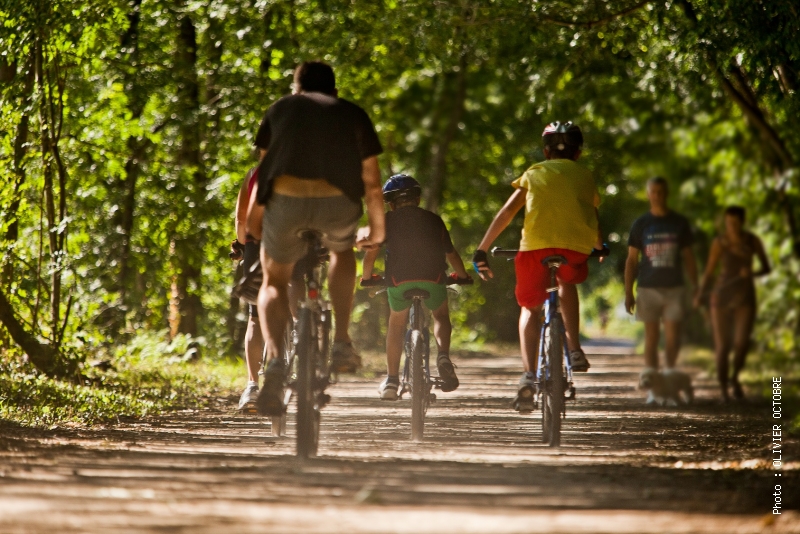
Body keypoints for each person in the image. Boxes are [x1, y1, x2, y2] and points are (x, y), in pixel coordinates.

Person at [247, 61, 385, 416]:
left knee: (273, 280)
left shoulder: (279, 109)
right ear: (335, 92)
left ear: (296, 90)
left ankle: (276, 362)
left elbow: (264, 170)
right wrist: (377, 227)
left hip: (285, 204)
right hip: (336, 203)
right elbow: (371, 180)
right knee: (341, 253)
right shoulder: (352, 113)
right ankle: (341, 341)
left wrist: (254, 217)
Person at [473, 121, 605, 410]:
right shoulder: (584, 176)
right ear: (578, 153)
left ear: (545, 152)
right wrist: (599, 246)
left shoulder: (534, 173)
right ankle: (575, 349)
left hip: (535, 248)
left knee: (530, 308)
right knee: (566, 282)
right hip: (574, 248)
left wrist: (482, 249)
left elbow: (508, 211)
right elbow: (591, 216)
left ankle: (528, 376)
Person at [361, 174, 470, 400]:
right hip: (433, 278)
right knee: (440, 315)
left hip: (399, 280)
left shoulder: (386, 221)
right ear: (418, 199)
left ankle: (392, 381)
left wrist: (367, 277)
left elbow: (371, 253)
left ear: (390, 203)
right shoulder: (434, 220)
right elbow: (451, 254)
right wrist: (462, 276)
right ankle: (443, 356)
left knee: (396, 324)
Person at [624, 177, 698, 404]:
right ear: (648, 194)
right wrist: (628, 291)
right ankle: (653, 388)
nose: (657, 195)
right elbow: (631, 260)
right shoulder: (641, 224)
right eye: (653, 192)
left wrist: (696, 288)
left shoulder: (679, 223)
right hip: (648, 287)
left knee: (673, 338)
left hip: (674, 287)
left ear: (667, 193)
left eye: (661, 191)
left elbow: (688, 258)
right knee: (652, 337)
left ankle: (669, 380)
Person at [694, 206, 770, 402]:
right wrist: (700, 294)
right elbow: (710, 272)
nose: (732, 227)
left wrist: (751, 273)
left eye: (736, 223)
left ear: (742, 222)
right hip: (720, 296)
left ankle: (734, 377)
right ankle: (723, 390)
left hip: (745, 296)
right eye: (729, 223)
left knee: (741, 342)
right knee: (723, 346)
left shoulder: (752, 241)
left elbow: (766, 267)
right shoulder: (719, 243)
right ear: (725, 223)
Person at [231, 166, 264, 412]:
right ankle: (299, 333)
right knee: (295, 283)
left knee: (255, 317)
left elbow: (242, 218)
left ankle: (253, 385)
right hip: (296, 243)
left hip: (258, 244)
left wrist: (242, 244)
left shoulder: (255, 173)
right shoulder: (308, 167)